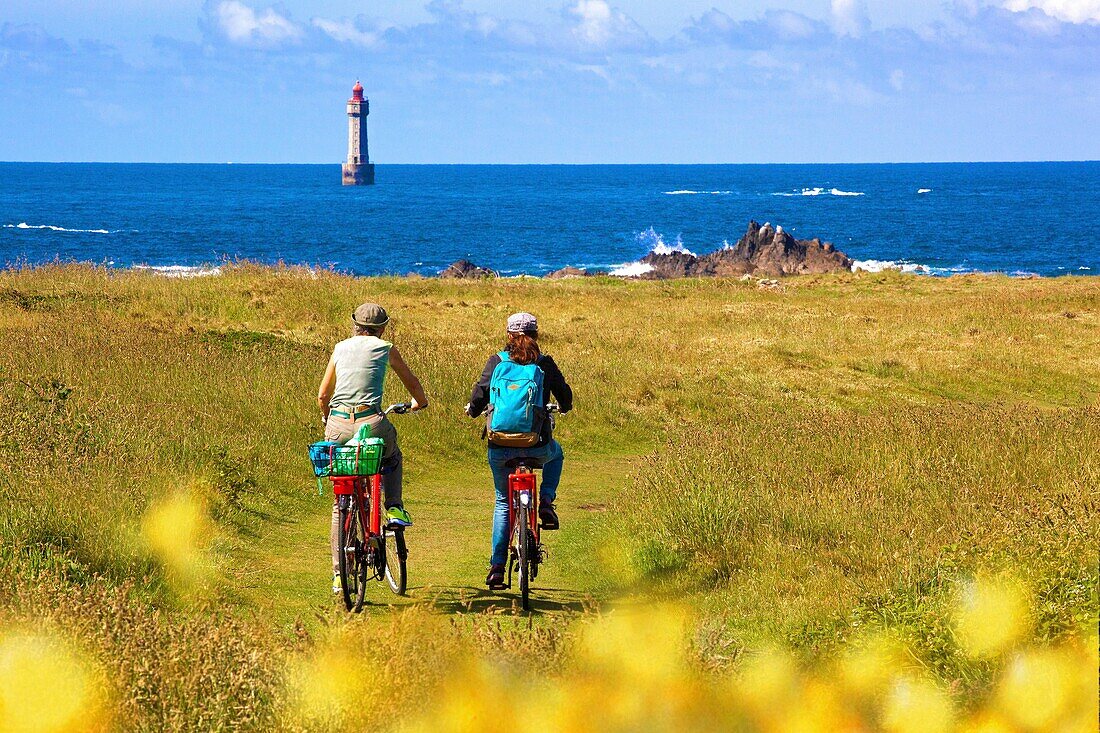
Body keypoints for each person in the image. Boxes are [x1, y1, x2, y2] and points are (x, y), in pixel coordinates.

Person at [318, 302, 428, 593]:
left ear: (355, 323)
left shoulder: (340, 348)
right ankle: (393, 507)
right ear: (383, 327)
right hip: (372, 421)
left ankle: (339, 573)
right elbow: (411, 380)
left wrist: (328, 419)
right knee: (391, 457)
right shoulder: (386, 348)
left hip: (338, 424)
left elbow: (322, 395)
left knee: (340, 494)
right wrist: (420, 402)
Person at [466, 312, 573, 589]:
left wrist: (473, 410)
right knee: (557, 454)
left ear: (508, 335)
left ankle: (497, 567)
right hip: (536, 446)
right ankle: (546, 502)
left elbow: (479, 395)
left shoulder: (497, 362)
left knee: (503, 501)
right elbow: (565, 397)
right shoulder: (544, 363)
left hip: (500, 447)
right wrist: (563, 406)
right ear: (536, 335)